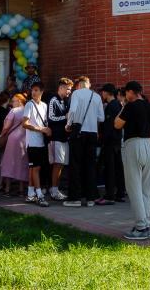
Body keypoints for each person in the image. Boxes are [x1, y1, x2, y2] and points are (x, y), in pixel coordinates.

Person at [114, 81, 150, 240]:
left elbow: (117, 124)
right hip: (148, 145)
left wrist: (123, 106)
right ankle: (145, 223)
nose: (125, 95)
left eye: (126, 93)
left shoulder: (130, 106)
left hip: (133, 145)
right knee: (146, 189)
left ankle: (140, 227)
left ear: (131, 92)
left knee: (134, 188)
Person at [64, 76, 105, 207]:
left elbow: (73, 110)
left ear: (79, 84)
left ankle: (75, 198)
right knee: (90, 165)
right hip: (92, 133)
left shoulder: (76, 94)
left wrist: (68, 124)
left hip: (78, 131)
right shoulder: (97, 97)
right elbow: (101, 118)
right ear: (89, 84)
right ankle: (90, 198)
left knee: (75, 165)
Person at [22, 82, 51, 207]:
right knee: (36, 168)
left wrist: (47, 129)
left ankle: (30, 194)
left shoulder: (44, 105)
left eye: (36, 90)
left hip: (41, 141)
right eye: (32, 90)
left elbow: (45, 122)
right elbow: (24, 124)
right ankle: (39, 195)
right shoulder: (29, 104)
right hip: (32, 142)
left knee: (34, 168)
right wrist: (41, 129)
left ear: (41, 92)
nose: (33, 92)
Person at [98, 84, 126, 203]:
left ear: (107, 92)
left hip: (110, 142)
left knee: (110, 169)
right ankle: (120, 193)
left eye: (103, 92)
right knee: (118, 168)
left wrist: (102, 140)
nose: (102, 94)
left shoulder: (111, 106)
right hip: (117, 141)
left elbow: (109, 127)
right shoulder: (118, 105)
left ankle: (110, 195)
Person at [0, 93, 28, 196]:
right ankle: (21, 189)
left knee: (9, 163)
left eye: (13, 101)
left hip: (12, 140)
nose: (11, 103)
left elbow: (6, 126)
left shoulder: (13, 111)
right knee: (22, 163)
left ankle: (7, 188)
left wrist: (2, 134)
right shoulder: (28, 110)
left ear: (19, 101)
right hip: (25, 139)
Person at [47, 78, 72, 200]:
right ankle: (54, 190)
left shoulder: (65, 101)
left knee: (61, 165)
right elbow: (51, 118)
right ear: (61, 88)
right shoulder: (53, 100)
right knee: (57, 164)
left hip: (64, 137)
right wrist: (65, 117)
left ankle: (55, 188)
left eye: (70, 89)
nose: (69, 92)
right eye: (68, 89)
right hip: (56, 137)